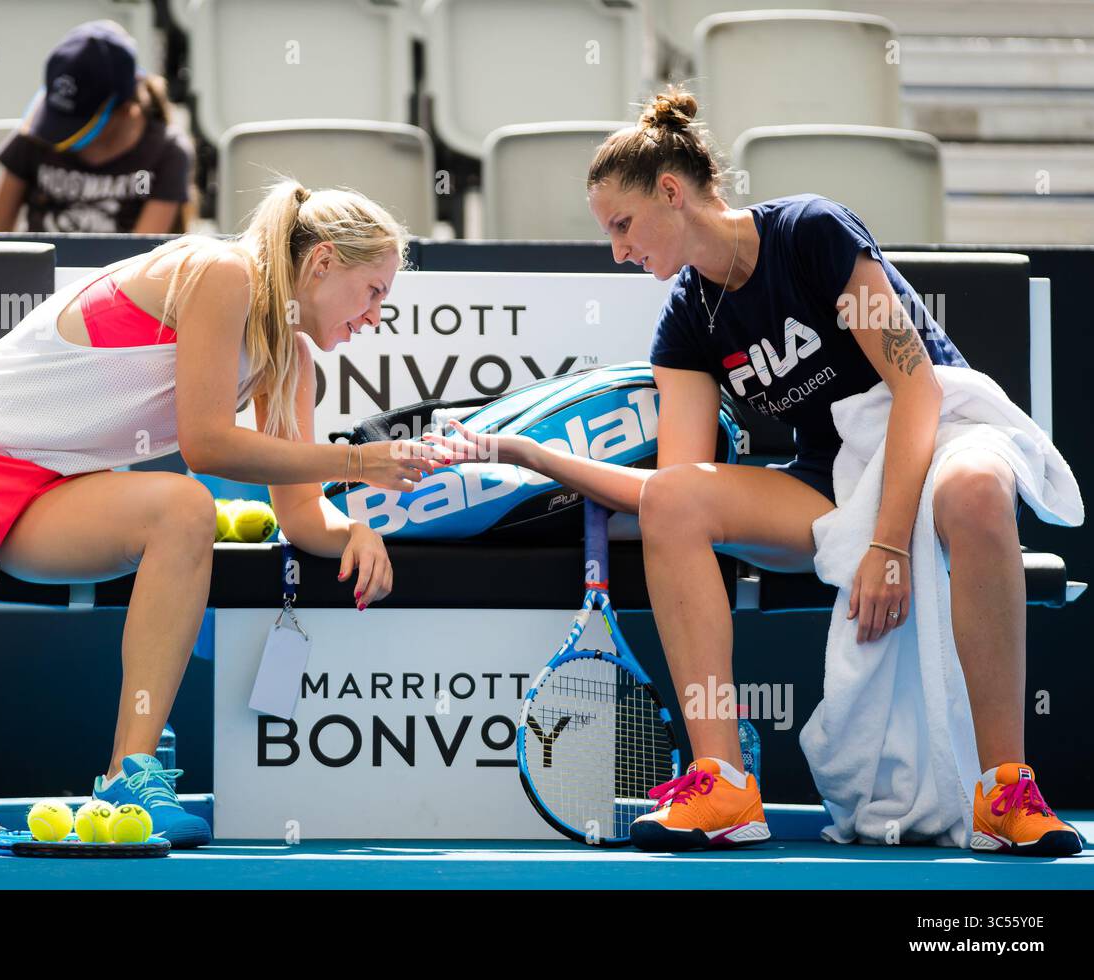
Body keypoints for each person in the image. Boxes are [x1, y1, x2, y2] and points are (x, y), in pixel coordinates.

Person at [427, 86, 1084, 857]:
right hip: (834, 480)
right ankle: (723, 785)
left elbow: (916, 389)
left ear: (671, 192)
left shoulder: (811, 232)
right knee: (676, 503)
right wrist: (530, 455)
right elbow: (672, 489)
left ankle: (1005, 789)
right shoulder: (685, 321)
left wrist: (889, 546)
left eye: (623, 225)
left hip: (939, 434)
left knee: (973, 489)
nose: (618, 250)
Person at [0, 179, 446, 852]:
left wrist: (354, 527)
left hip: (55, 492)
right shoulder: (222, 271)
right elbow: (205, 443)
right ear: (321, 264)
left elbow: (299, 516)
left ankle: (126, 779)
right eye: (374, 291)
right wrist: (356, 463)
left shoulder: (290, 366)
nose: (376, 315)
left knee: (182, 509)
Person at [0, 20, 194, 234]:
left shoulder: (168, 153)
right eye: (57, 118)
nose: (58, 133)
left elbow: (144, 261)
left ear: (125, 108)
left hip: (124, 267)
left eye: (78, 121)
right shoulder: (34, 135)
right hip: (42, 269)